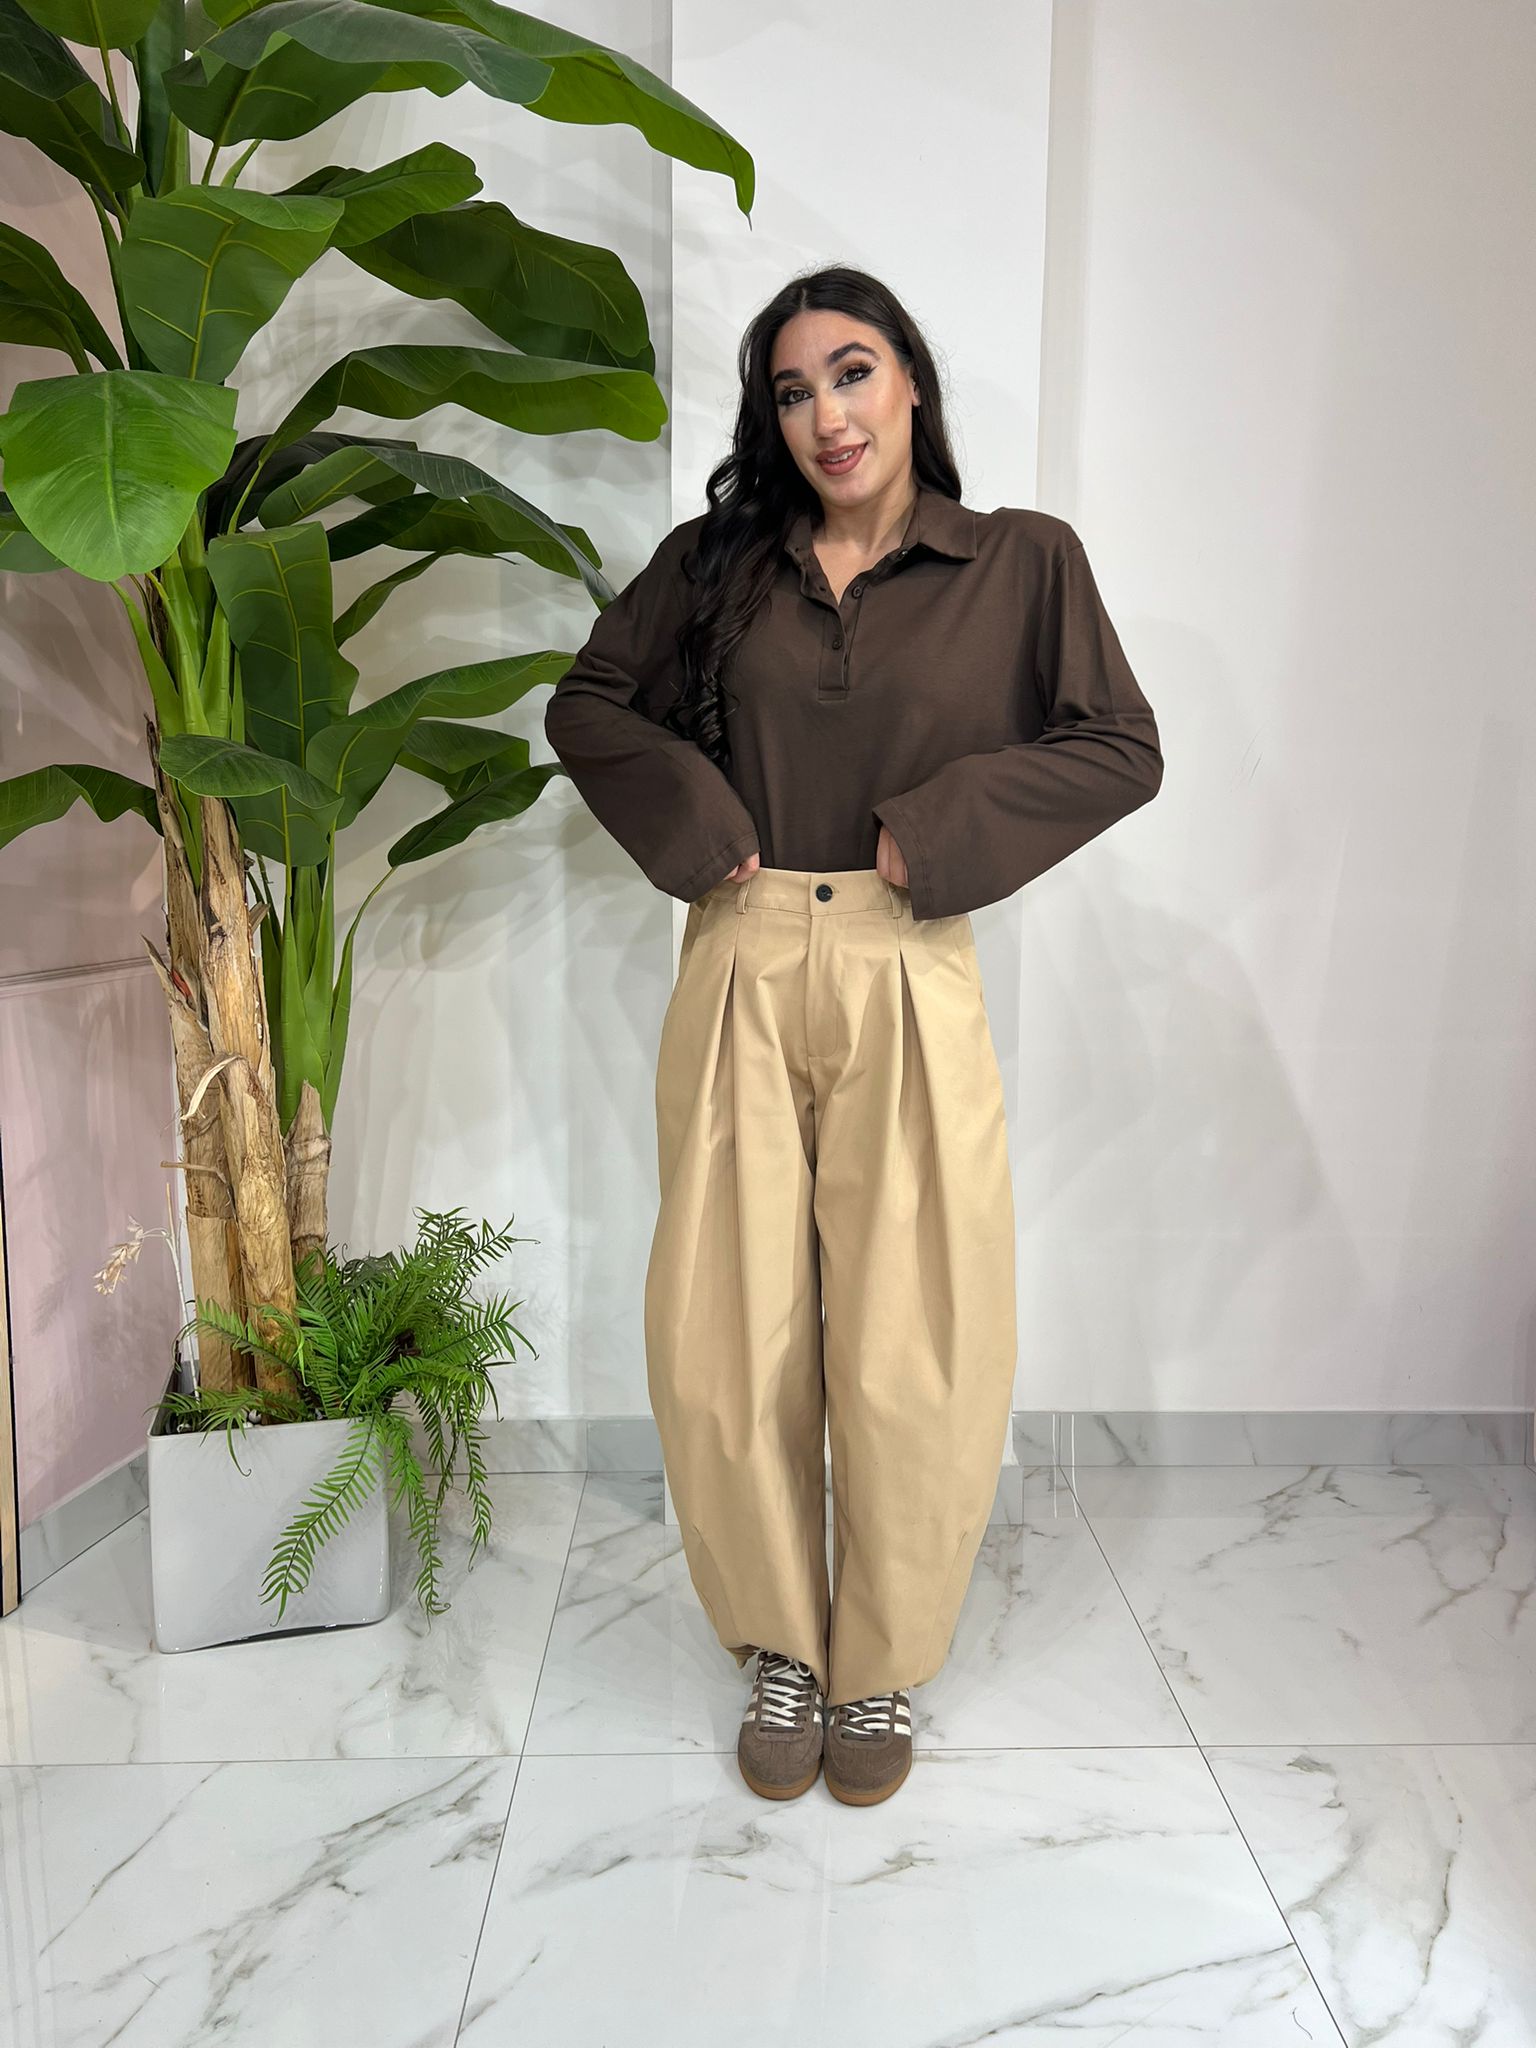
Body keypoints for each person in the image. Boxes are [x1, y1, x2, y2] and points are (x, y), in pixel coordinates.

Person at [543, 265, 1164, 1806]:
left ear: (911, 383)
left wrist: (935, 829)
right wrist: (701, 822)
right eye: (792, 389)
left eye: (853, 371)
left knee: (913, 1338)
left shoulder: (1020, 562)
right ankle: (783, 1646)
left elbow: (1119, 744)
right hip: (743, 955)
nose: (826, 413)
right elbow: (591, 701)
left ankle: (877, 1662)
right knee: (727, 1329)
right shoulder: (717, 566)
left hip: (908, 957)